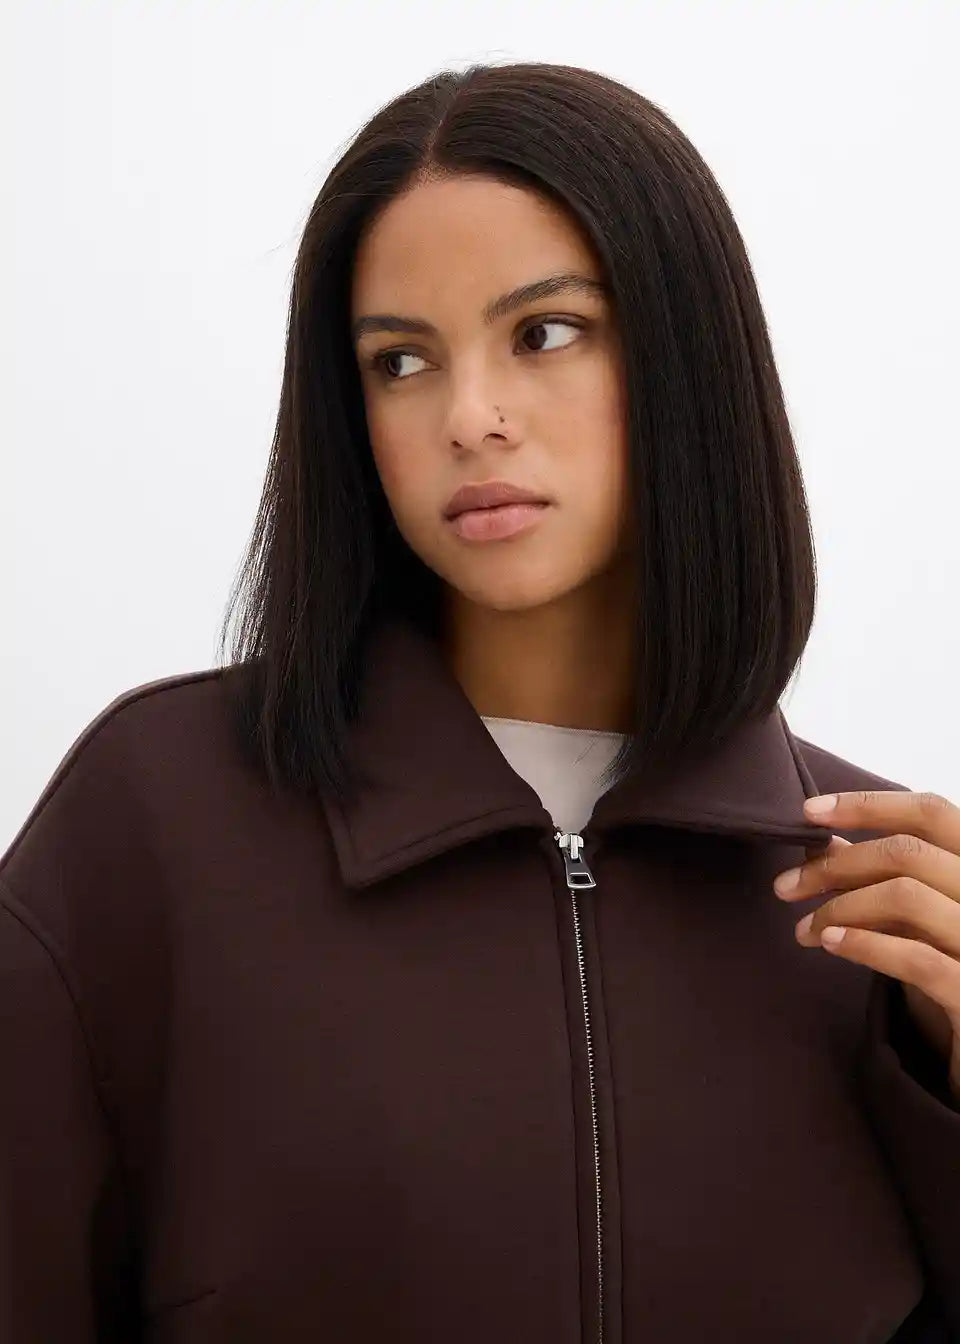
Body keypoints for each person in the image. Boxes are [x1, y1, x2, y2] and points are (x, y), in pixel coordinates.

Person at [1, 61, 958, 1344]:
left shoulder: (873, 914)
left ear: (690, 359)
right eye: (400, 361)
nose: (469, 417)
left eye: (545, 333)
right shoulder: (152, 831)